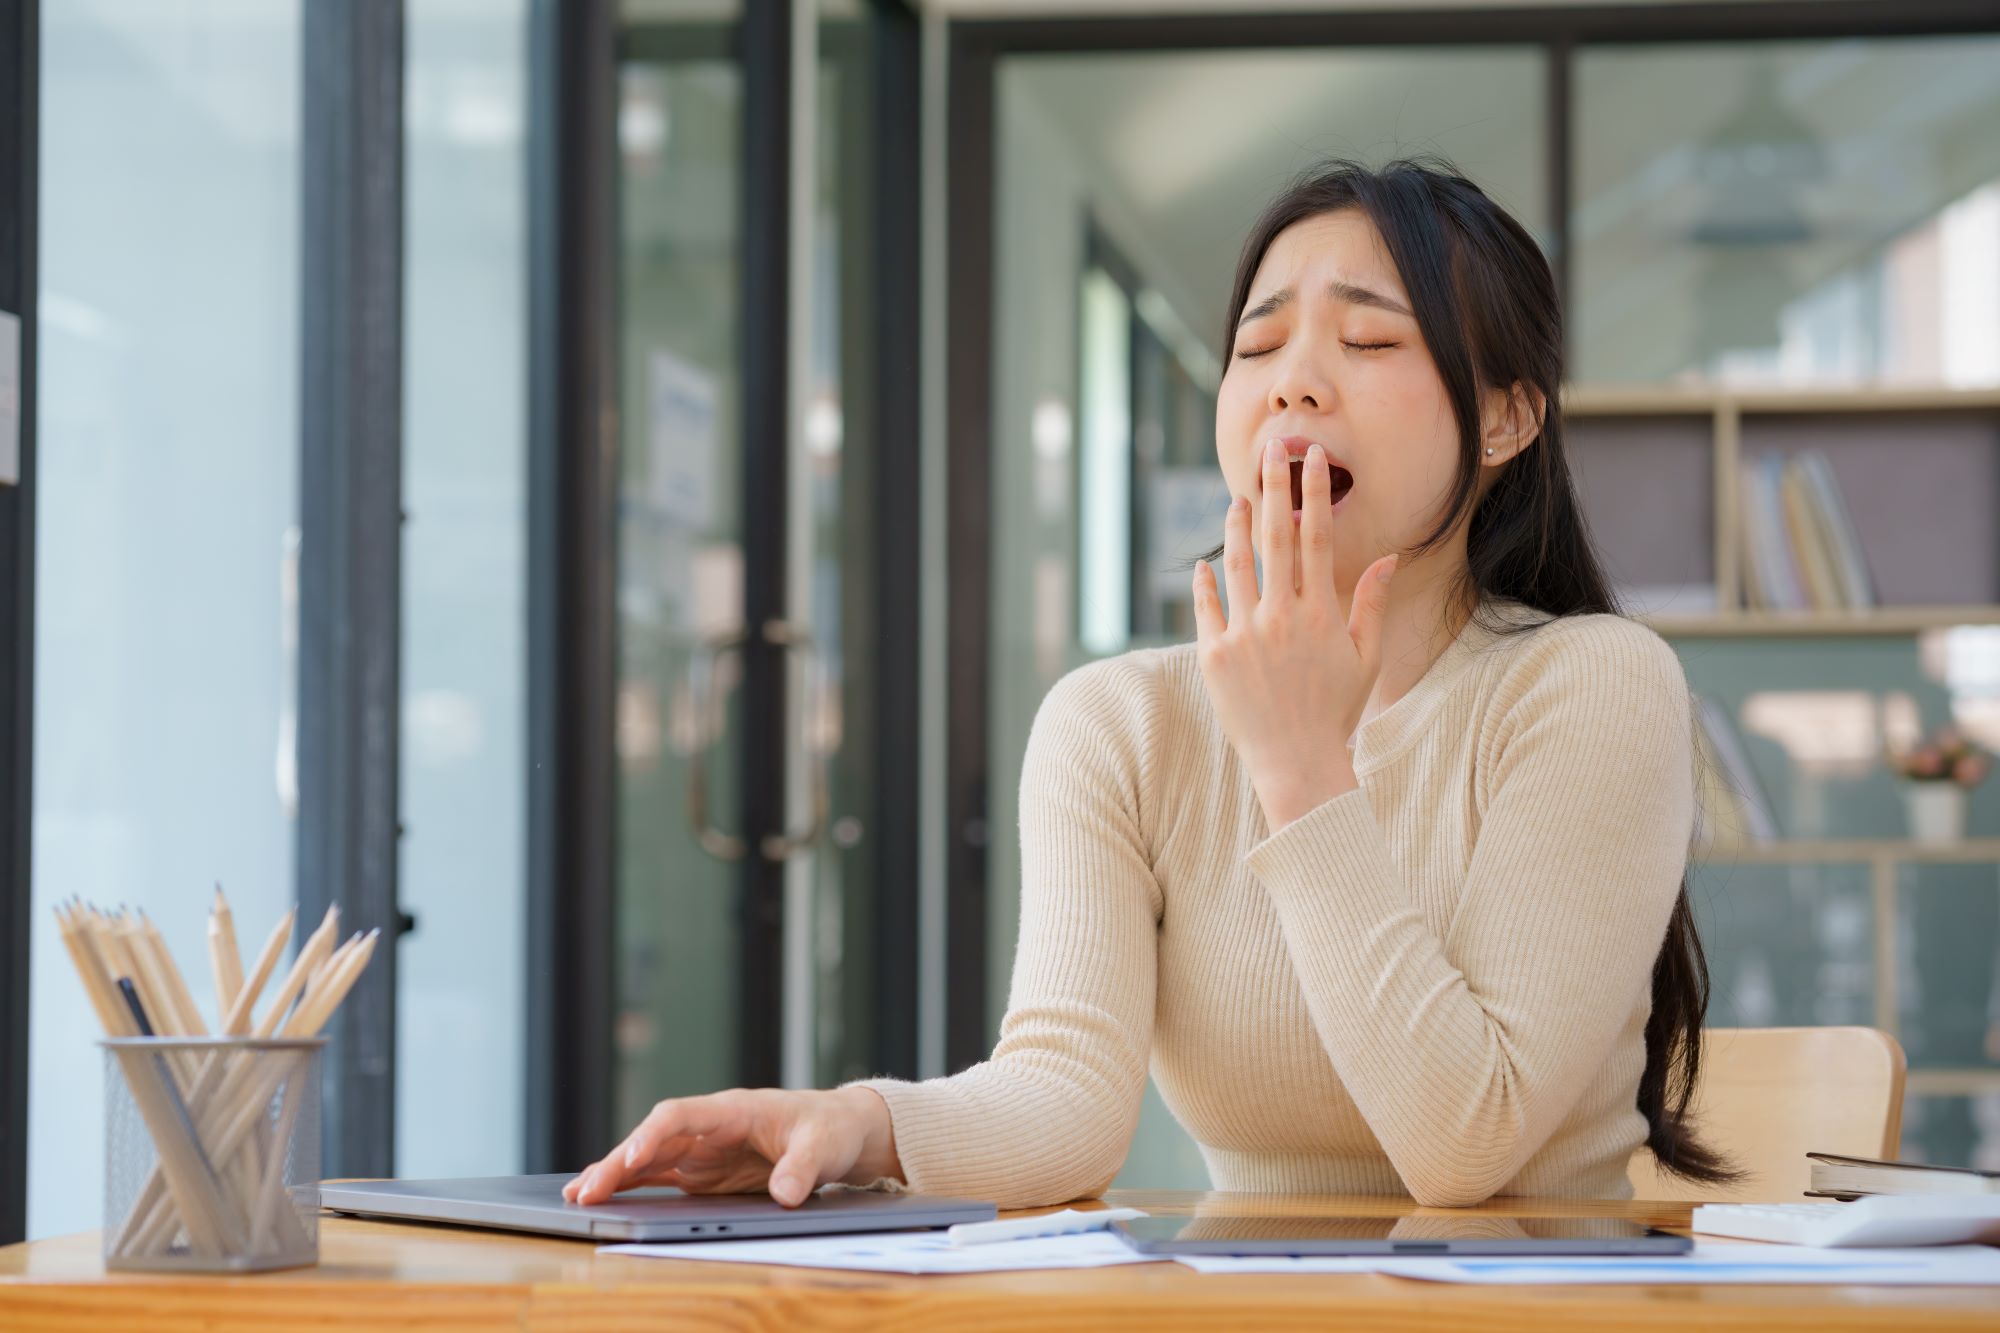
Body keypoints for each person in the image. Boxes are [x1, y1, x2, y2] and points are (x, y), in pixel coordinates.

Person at [564, 156, 1736, 1214]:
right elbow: (1065, 1101)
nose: (1294, 386)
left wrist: (1297, 765)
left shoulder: (1589, 685)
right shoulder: (1116, 721)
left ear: (1506, 417)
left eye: (1369, 343)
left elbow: (1462, 1147)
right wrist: (859, 1122)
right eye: (1258, 346)